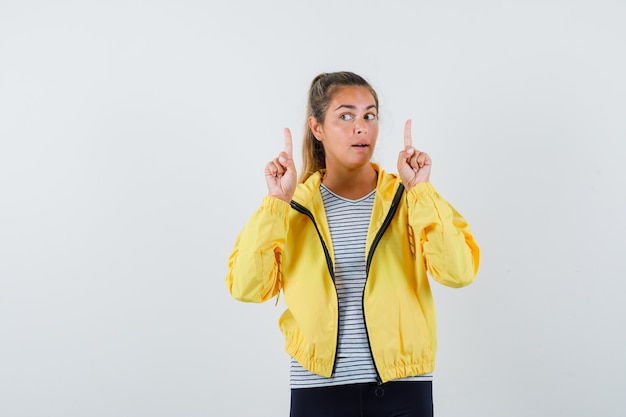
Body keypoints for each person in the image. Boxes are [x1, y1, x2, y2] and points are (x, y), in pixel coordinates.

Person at [225, 71, 480, 417]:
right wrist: (276, 203)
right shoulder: (292, 206)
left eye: (369, 115)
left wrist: (420, 190)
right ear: (317, 128)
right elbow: (246, 288)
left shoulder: (408, 198)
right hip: (317, 390)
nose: (361, 127)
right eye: (345, 116)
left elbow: (458, 272)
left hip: (404, 389)